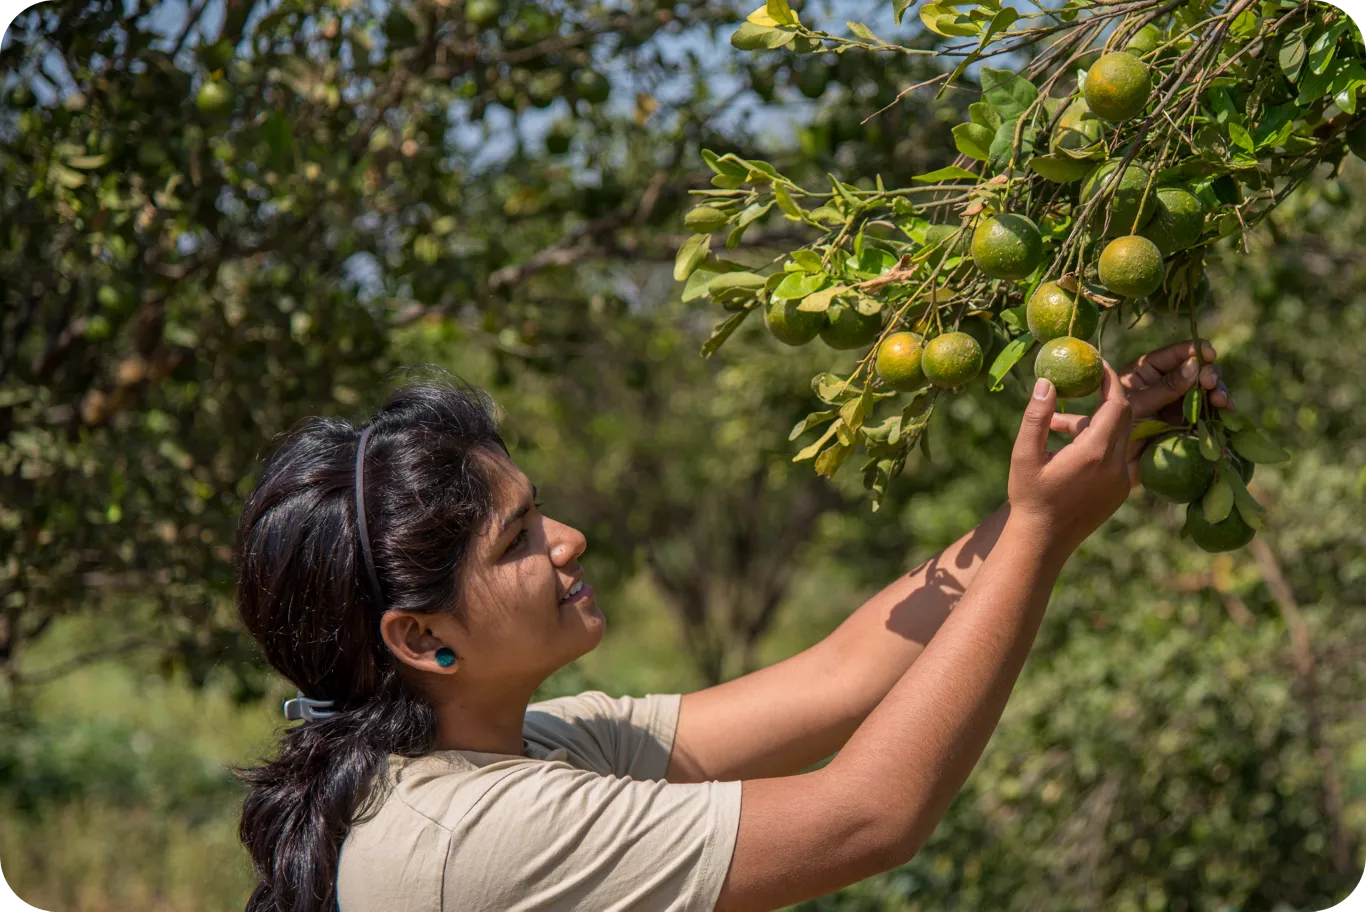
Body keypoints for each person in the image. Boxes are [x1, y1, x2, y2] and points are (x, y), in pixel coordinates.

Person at [234, 341, 1230, 912]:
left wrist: (1048, 496)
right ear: (418, 639)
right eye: (520, 541)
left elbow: (841, 677)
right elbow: (869, 816)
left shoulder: (527, 750)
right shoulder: (471, 836)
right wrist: (1045, 539)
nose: (571, 541)